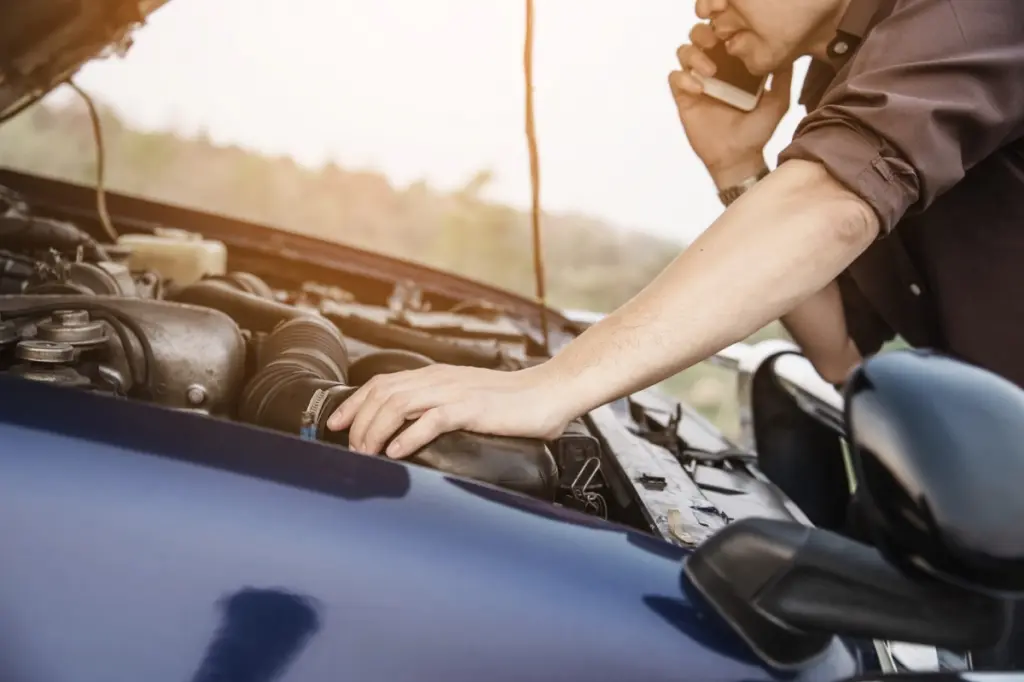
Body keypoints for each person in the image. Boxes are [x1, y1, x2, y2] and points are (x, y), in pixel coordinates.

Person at [328, 0, 1024, 458]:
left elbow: (834, 206)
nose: (703, 7)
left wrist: (555, 385)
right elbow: (842, 351)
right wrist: (737, 163)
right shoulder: (848, 78)